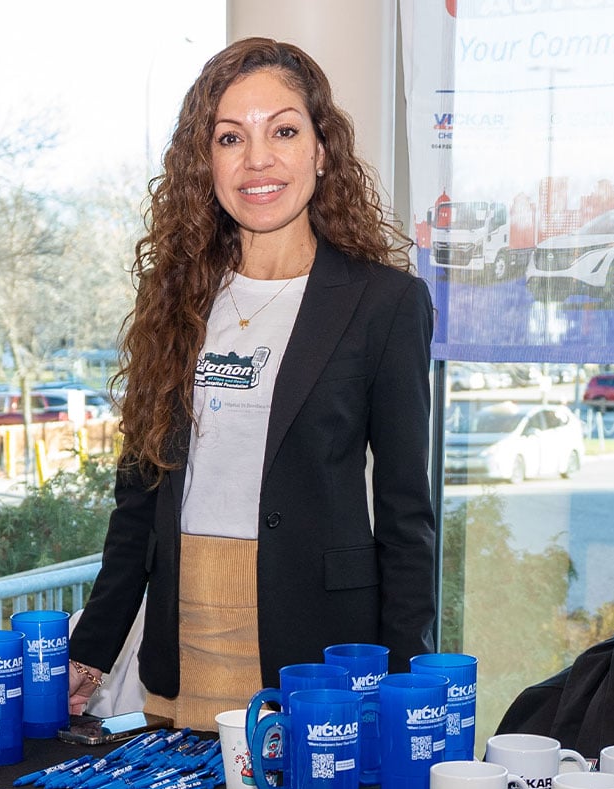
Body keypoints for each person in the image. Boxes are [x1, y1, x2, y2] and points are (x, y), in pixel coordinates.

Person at [67, 38, 436, 730]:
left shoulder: (384, 303)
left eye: (284, 131)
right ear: (205, 162)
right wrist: (92, 648)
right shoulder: (175, 297)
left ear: (322, 151)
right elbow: (139, 500)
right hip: (181, 647)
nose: (257, 159)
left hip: (319, 659)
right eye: (230, 137)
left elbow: (406, 516)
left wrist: (404, 686)